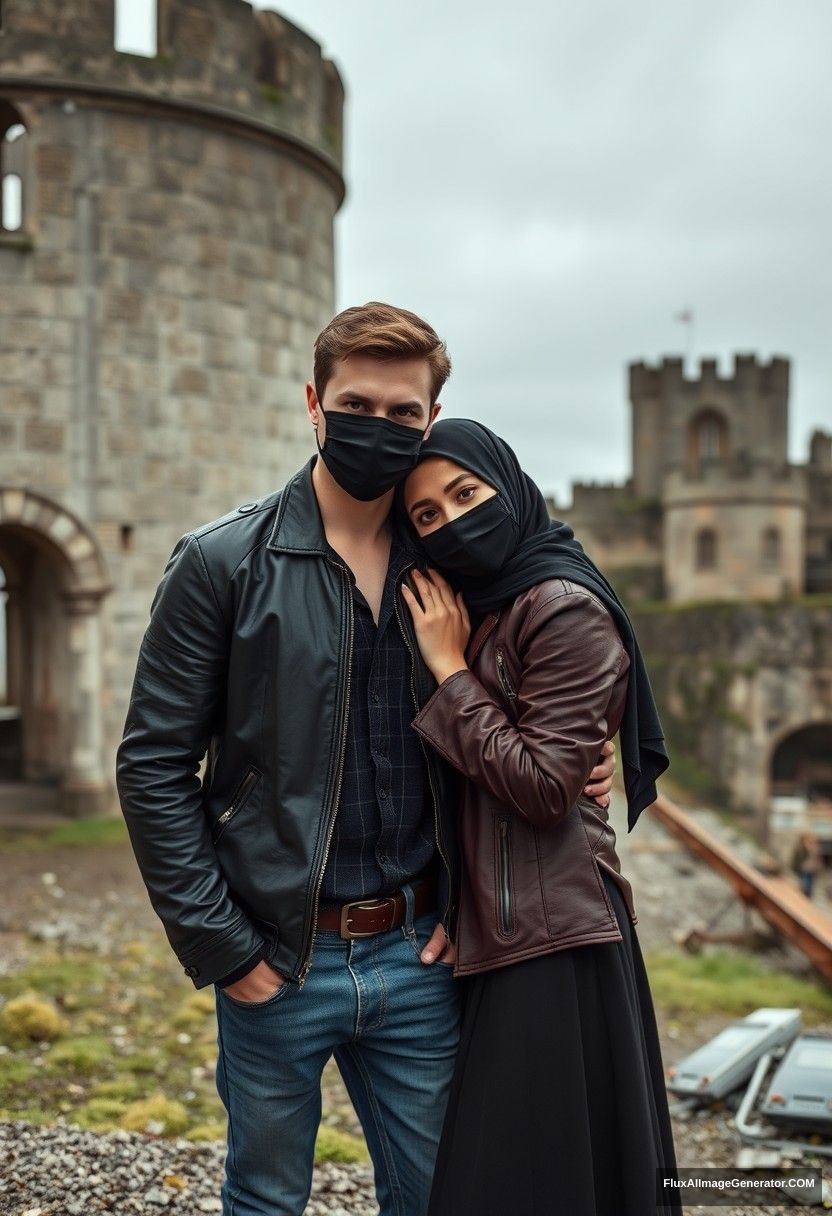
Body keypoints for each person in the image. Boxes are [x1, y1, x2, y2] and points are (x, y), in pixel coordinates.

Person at [114, 302, 619, 1216]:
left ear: (431, 420)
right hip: (277, 955)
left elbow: (518, 726)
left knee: (437, 1197)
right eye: (357, 405)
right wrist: (224, 948)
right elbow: (153, 766)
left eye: (403, 414)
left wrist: (588, 758)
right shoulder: (224, 562)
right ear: (313, 402)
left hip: (421, 955)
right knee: (265, 1198)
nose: (378, 428)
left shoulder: (456, 564)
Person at [398, 418, 681, 1216]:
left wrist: (450, 671)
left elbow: (542, 786)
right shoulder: (490, 604)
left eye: (465, 494)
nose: (451, 521)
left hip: (557, 937)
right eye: (426, 515)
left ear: (510, 488)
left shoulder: (560, 605)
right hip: (514, 924)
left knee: (532, 1180)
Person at [791, 830, 823, 899]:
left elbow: (818, 860)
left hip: (812, 870)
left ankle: (807, 899)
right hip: (804, 870)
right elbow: (797, 859)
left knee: (810, 888)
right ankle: (802, 899)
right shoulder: (801, 847)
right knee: (804, 886)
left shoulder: (816, 848)